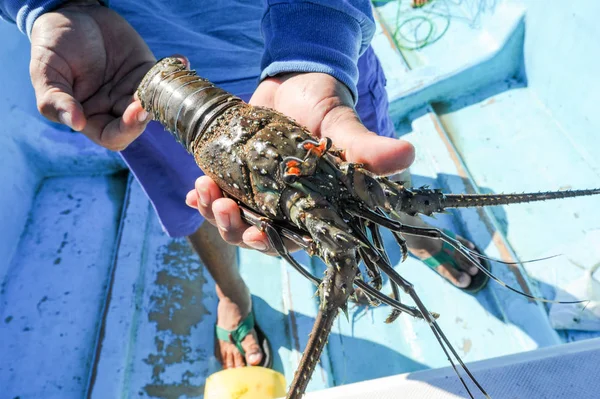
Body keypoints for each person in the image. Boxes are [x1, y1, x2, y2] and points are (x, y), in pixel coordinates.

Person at [0, 0, 486, 370]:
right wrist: (51, 7)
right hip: (133, 79)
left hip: (315, 63)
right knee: (203, 204)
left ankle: (414, 229)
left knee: (365, 158)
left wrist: (312, 49)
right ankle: (233, 293)